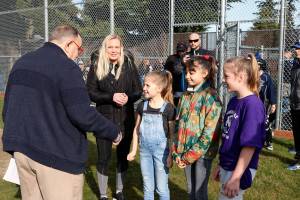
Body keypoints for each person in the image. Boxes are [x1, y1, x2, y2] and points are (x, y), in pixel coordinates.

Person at [2, 25, 122, 200]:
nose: (78, 54)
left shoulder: (22, 62)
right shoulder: (67, 67)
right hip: (57, 158)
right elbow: (82, 114)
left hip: (22, 153)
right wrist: (113, 132)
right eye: (79, 49)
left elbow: (8, 110)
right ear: (69, 44)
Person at [86, 34, 142, 200]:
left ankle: (119, 191)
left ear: (121, 48)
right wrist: (111, 97)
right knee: (103, 157)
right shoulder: (97, 65)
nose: (113, 50)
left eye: (116, 47)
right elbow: (90, 92)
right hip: (104, 119)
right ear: (105, 48)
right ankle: (103, 194)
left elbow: (138, 90)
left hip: (125, 118)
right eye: (110, 47)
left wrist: (128, 97)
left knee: (122, 157)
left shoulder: (129, 65)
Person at [213, 54, 266, 199]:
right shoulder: (234, 101)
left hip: (239, 169)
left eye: (226, 76)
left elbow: (249, 145)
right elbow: (229, 135)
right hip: (228, 164)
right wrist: (221, 164)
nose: (223, 80)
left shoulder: (252, 105)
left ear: (240, 77)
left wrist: (236, 177)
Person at [172, 55, 222, 200]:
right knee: (190, 189)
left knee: (200, 192)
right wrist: (176, 150)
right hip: (185, 150)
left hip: (202, 155)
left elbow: (209, 133)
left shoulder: (211, 97)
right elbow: (178, 123)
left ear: (205, 73)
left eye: (191, 72)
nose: (187, 76)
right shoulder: (185, 95)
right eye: (186, 72)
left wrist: (189, 157)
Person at [127, 70, 176, 200]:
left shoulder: (169, 109)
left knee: (161, 188)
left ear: (159, 88)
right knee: (148, 187)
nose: (144, 88)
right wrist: (133, 150)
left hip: (162, 153)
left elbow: (172, 135)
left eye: (147, 85)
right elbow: (136, 130)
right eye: (144, 85)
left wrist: (171, 155)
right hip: (145, 152)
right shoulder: (141, 107)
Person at [257, 58, 276, 151]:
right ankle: (258, 140)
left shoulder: (266, 77)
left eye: (257, 64)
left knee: (265, 122)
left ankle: (269, 141)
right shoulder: (251, 76)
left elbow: (271, 91)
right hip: (254, 103)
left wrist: (273, 104)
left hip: (264, 103)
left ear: (261, 66)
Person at [288, 41, 300, 171]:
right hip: (294, 102)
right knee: (296, 131)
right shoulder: (295, 64)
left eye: (297, 48)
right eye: (295, 48)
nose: (295, 50)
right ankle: (298, 154)